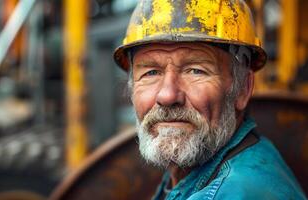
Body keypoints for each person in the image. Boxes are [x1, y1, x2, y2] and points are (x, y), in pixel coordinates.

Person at [113, 0, 307, 199]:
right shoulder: (200, 172)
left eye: (195, 71)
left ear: (243, 88)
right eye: (151, 72)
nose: (167, 95)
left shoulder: (233, 193)